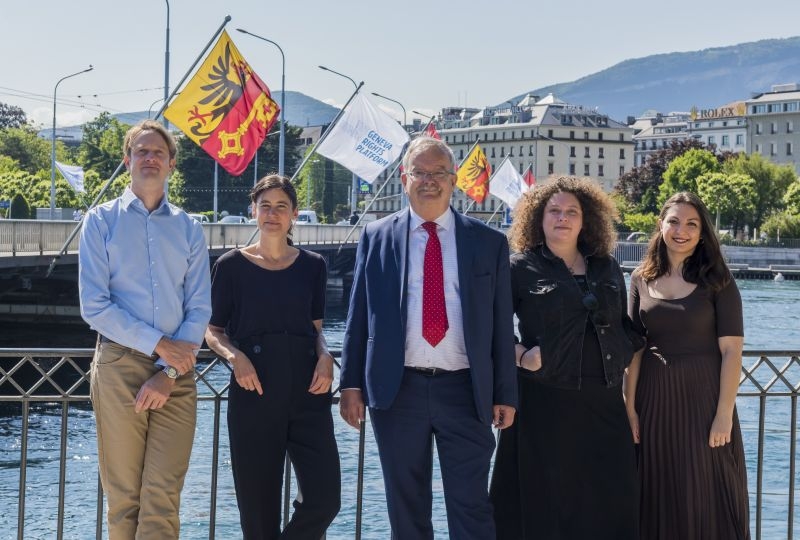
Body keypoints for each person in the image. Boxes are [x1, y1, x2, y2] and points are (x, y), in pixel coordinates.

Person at [339, 136, 517, 539]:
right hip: (396, 390)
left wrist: (505, 391)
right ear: (404, 179)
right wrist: (349, 384)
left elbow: (501, 325)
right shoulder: (377, 236)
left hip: (466, 391)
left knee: (471, 505)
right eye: (419, 172)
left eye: (438, 173)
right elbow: (358, 317)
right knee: (406, 507)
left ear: (454, 180)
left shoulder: (489, 243)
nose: (428, 180)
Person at [78, 119, 211, 539]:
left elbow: (199, 306)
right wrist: (159, 345)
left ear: (171, 164)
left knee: (164, 496)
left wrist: (169, 370)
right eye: (142, 151)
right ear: (127, 160)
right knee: (124, 499)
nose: (150, 158)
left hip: (178, 374)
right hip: (119, 365)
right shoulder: (99, 222)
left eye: (158, 152)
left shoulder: (189, 228)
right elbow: (94, 306)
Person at [490, 176, 642, 539]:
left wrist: (629, 398)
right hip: (544, 402)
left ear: (585, 218)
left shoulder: (606, 266)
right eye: (553, 210)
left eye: (571, 211)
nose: (563, 217)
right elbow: (491, 331)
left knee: (609, 502)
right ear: (538, 218)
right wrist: (522, 355)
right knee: (545, 505)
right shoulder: (518, 267)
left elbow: (623, 326)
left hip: (604, 401)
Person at [205, 175, 340, 539]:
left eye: (281, 207)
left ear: (294, 214)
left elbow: (316, 329)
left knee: (325, 499)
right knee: (258, 512)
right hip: (254, 391)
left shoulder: (313, 265)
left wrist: (326, 356)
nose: (272, 214)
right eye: (265, 206)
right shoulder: (231, 266)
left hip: (308, 392)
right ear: (253, 211)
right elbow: (213, 331)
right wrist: (236, 359)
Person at [625, 191, 750, 539]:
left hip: (704, 404)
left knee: (706, 492)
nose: (681, 230)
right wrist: (630, 408)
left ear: (702, 231)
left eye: (691, 224)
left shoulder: (718, 280)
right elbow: (634, 349)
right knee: (657, 490)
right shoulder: (639, 278)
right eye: (674, 221)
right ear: (661, 225)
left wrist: (724, 414)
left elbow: (731, 351)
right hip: (653, 402)